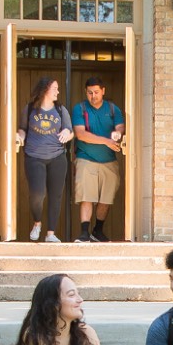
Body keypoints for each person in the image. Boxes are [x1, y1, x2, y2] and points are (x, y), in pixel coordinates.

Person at [16, 77, 74, 243]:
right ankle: (37, 223)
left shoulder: (61, 110)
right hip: (34, 156)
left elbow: (70, 131)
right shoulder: (30, 109)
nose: (58, 91)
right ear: (45, 89)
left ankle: (50, 234)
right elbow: (22, 129)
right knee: (38, 194)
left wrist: (67, 134)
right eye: (55, 88)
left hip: (57, 157)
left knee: (56, 196)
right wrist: (19, 136)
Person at [71, 77, 126, 243]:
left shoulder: (113, 109)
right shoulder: (80, 109)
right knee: (86, 196)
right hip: (85, 158)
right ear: (85, 92)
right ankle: (84, 233)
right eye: (90, 93)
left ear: (103, 91)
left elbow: (120, 126)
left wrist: (117, 133)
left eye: (96, 92)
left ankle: (97, 231)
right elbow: (81, 134)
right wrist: (106, 141)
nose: (93, 96)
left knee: (106, 198)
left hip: (109, 160)